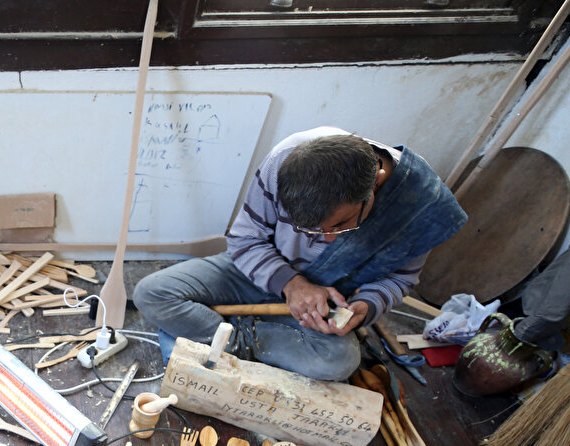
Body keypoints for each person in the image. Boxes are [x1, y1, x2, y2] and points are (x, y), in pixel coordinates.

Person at [133, 126, 467, 381]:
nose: (325, 240)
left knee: (338, 362)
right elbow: (246, 239)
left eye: (340, 226)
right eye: (309, 230)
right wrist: (292, 284)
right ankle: (246, 339)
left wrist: (365, 308)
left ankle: (228, 336)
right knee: (153, 294)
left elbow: (400, 278)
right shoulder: (288, 161)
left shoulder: (422, 209)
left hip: (321, 309)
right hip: (261, 271)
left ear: (376, 183)